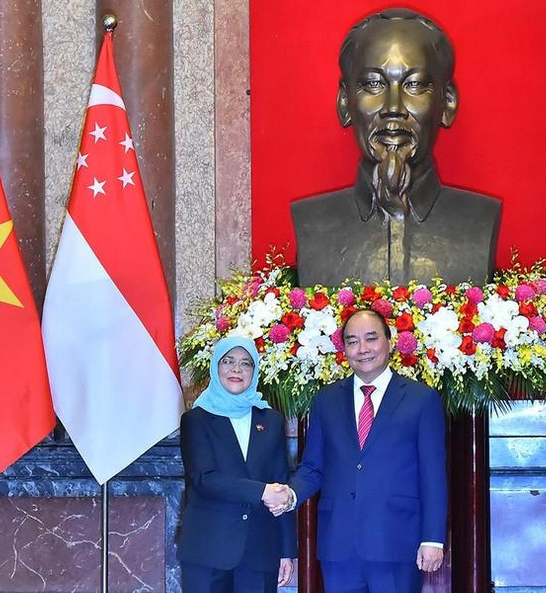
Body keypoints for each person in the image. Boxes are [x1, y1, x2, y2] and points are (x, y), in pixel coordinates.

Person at [292, 8, 501, 287]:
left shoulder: (480, 220)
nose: (393, 108)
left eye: (414, 84)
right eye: (373, 84)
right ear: (345, 102)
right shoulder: (311, 223)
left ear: (447, 102)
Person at [275, 309, 447, 593]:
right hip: (339, 544)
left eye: (371, 338)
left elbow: (433, 475)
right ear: (344, 350)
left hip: (396, 541)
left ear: (389, 341)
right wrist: (290, 495)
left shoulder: (421, 399)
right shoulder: (326, 400)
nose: (362, 349)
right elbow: (313, 467)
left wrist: (433, 538)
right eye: (353, 341)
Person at [178, 336, 296, 592]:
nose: (236, 369)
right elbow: (204, 479)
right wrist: (261, 491)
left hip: (260, 550)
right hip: (208, 550)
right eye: (228, 361)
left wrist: (286, 551)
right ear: (215, 366)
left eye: (245, 363)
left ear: (255, 371)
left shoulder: (271, 420)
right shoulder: (196, 419)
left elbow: (281, 483)